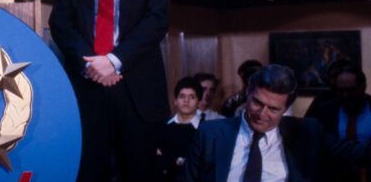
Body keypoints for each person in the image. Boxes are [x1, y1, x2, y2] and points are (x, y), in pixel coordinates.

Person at [49, 0, 170, 181]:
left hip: (135, 88)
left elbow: (156, 21)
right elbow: (61, 23)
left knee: (140, 172)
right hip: (87, 87)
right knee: (89, 172)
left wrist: (114, 61)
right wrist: (93, 64)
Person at [184, 64, 371, 182]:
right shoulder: (211, 133)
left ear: (286, 109)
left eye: (273, 109)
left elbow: (360, 153)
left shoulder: (307, 132)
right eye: (257, 102)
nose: (261, 114)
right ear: (247, 93)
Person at [306, 64, 371, 182]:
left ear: (363, 87)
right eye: (340, 90)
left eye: (351, 90)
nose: (345, 95)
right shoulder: (323, 111)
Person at [158, 77, 204, 181]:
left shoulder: (204, 129)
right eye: (182, 96)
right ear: (175, 101)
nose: (186, 101)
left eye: (192, 97)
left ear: (199, 103)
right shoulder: (163, 127)